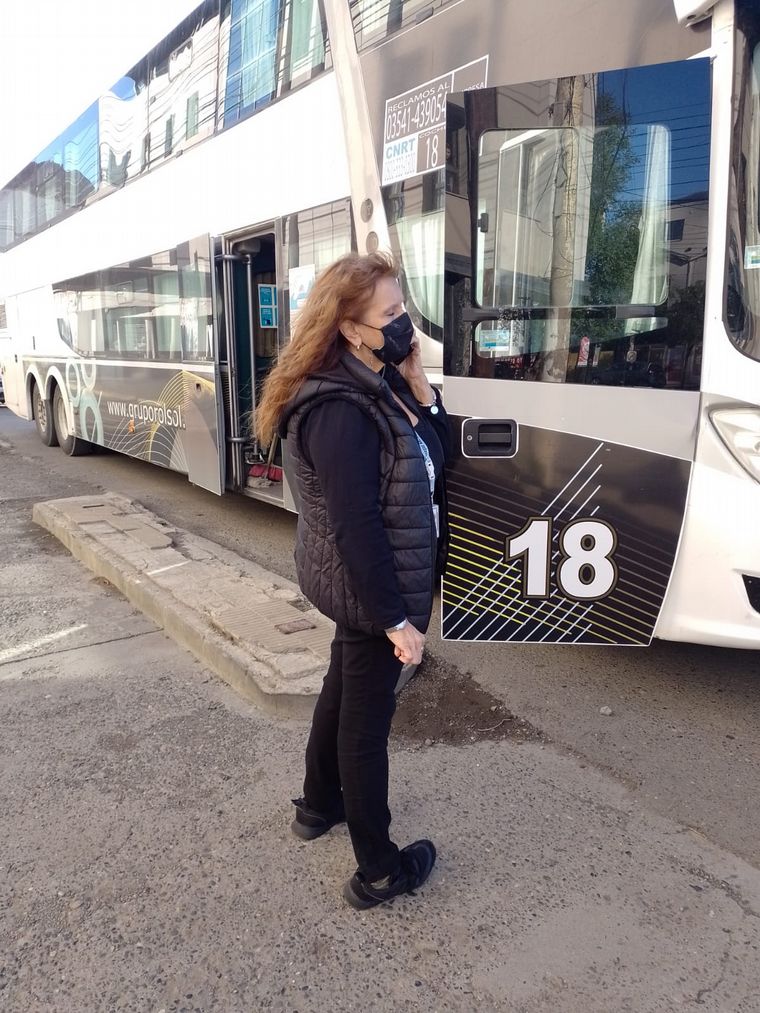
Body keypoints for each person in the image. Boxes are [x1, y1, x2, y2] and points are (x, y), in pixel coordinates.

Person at [255, 251, 449, 910]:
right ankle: (379, 869)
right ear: (349, 325)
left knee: (342, 688)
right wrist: (395, 618)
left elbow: (435, 455)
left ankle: (317, 804)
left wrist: (420, 383)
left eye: (403, 311)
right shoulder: (339, 408)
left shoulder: (377, 376)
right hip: (372, 583)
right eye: (390, 315)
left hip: (367, 579)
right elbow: (356, 526)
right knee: (366, 728)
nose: (404, 325)